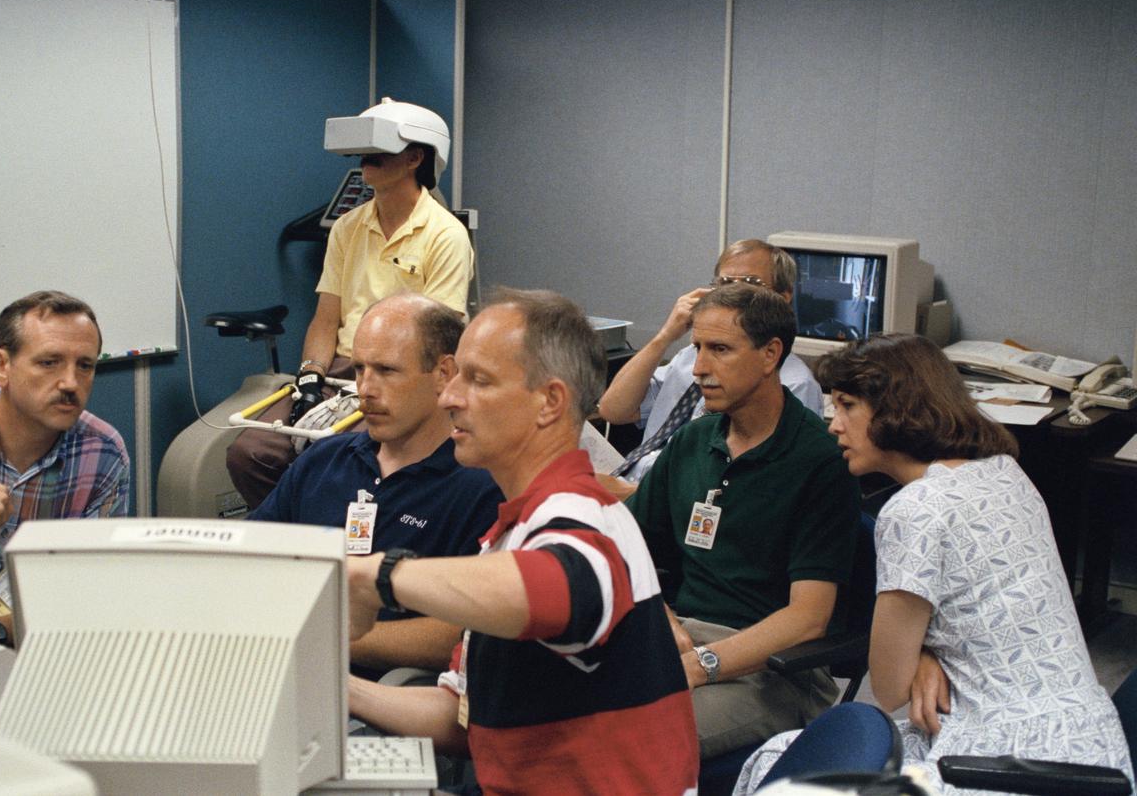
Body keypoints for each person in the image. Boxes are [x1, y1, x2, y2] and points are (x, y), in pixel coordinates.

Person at [735, 334, 1134, 794]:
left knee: (789, 769)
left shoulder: (915, 511)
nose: (833, 425)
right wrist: (926, 652)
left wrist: (919, 655)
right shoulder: (1004, 471)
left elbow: (887, 688)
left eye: (846, 406)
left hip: (1004, 759)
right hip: (1090, 748)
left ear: (894, 409)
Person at [345, 288, 698, 795]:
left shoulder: (584, 518)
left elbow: (557, 587)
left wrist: (378, 575)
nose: (450, 397)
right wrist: (338, 688)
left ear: (549, 403)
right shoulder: (517, 528)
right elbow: (462, 715)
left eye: (478, 380)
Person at [626, 282, 861, 759]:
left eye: (720, 350)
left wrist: (698, 665)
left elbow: (808, 619)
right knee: (546, 705)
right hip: (676, 639)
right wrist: (663, 619)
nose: (699, 369)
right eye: (696, 348)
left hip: (769, 669)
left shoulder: (819, 459)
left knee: (628, 742)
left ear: (770, 354)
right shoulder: (693, 442)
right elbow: (629, 549)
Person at [227, 98, 474, 509]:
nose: (365, 163)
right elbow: (326, 321)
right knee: (251, 451)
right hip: (340, 370)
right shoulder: (347, 227)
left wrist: (384, 379)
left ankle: (348, 548)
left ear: (415, 157)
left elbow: (440, 340)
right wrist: (309, 377)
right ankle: (297, 538)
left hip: (402, 374)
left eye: (377, 155)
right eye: (363, 155)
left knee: (341, 456)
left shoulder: (445, 235)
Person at [251, 294, 501, 676]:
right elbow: (249, 559)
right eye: (359, 370)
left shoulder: (480, 486)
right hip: (277, 670)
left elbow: (465, 634)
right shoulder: (323, 461)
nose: (365, 389)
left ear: (444, 373)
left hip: (383, 696)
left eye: (386, 371)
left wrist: (326, 637)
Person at [0, 290, 129, 646]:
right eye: (49, 362)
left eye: (85, 365)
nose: (70, 383)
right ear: (1, 366)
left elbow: (89, 586)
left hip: (26, 643)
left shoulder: (103, 455)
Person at [599, 239, 822, 497]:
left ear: (783, 298)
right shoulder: (689, 357)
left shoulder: (793, 385)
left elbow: (758, 489)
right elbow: (612, 410)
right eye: (724, 284)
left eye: (749, 284)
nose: (700, 368)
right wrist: (665, 336)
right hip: (634, 481)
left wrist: (636, 494)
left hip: (670, 504)